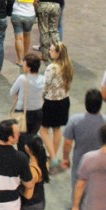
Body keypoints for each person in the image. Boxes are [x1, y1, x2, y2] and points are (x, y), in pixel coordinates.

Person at [63, 89, 106, 195]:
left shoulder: (74, 121)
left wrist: (66, 158)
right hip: (102, 164)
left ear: (85, 103)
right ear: (100, 105)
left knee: (78, 190)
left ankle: (76, 207)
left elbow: (68, 143)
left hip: (80, 163)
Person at [41, 41, 74, 170]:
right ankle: (53, 153)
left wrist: (41, 96)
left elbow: (46, 85)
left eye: (52, 50)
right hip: (64, 101)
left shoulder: (51, 68)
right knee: (56, 129)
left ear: (58, 53)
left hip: (51, 102)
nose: (49, 51)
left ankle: (53, 157)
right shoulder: (68, 66)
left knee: (43, 129)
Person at [9, 51, 45, 136]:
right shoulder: (43, 79)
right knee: (33, 136)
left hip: (22, 112)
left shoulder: (22, 78)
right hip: (38, 111)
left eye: (24, 65)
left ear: (29, 68)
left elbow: (12, 92)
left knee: (21, 138)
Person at [9, 0, 38, 68]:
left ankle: (20, 60)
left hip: (17, 13)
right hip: (29, 14)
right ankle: (25, 57)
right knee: (27, 35)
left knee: (18, 37)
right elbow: (35, 1)